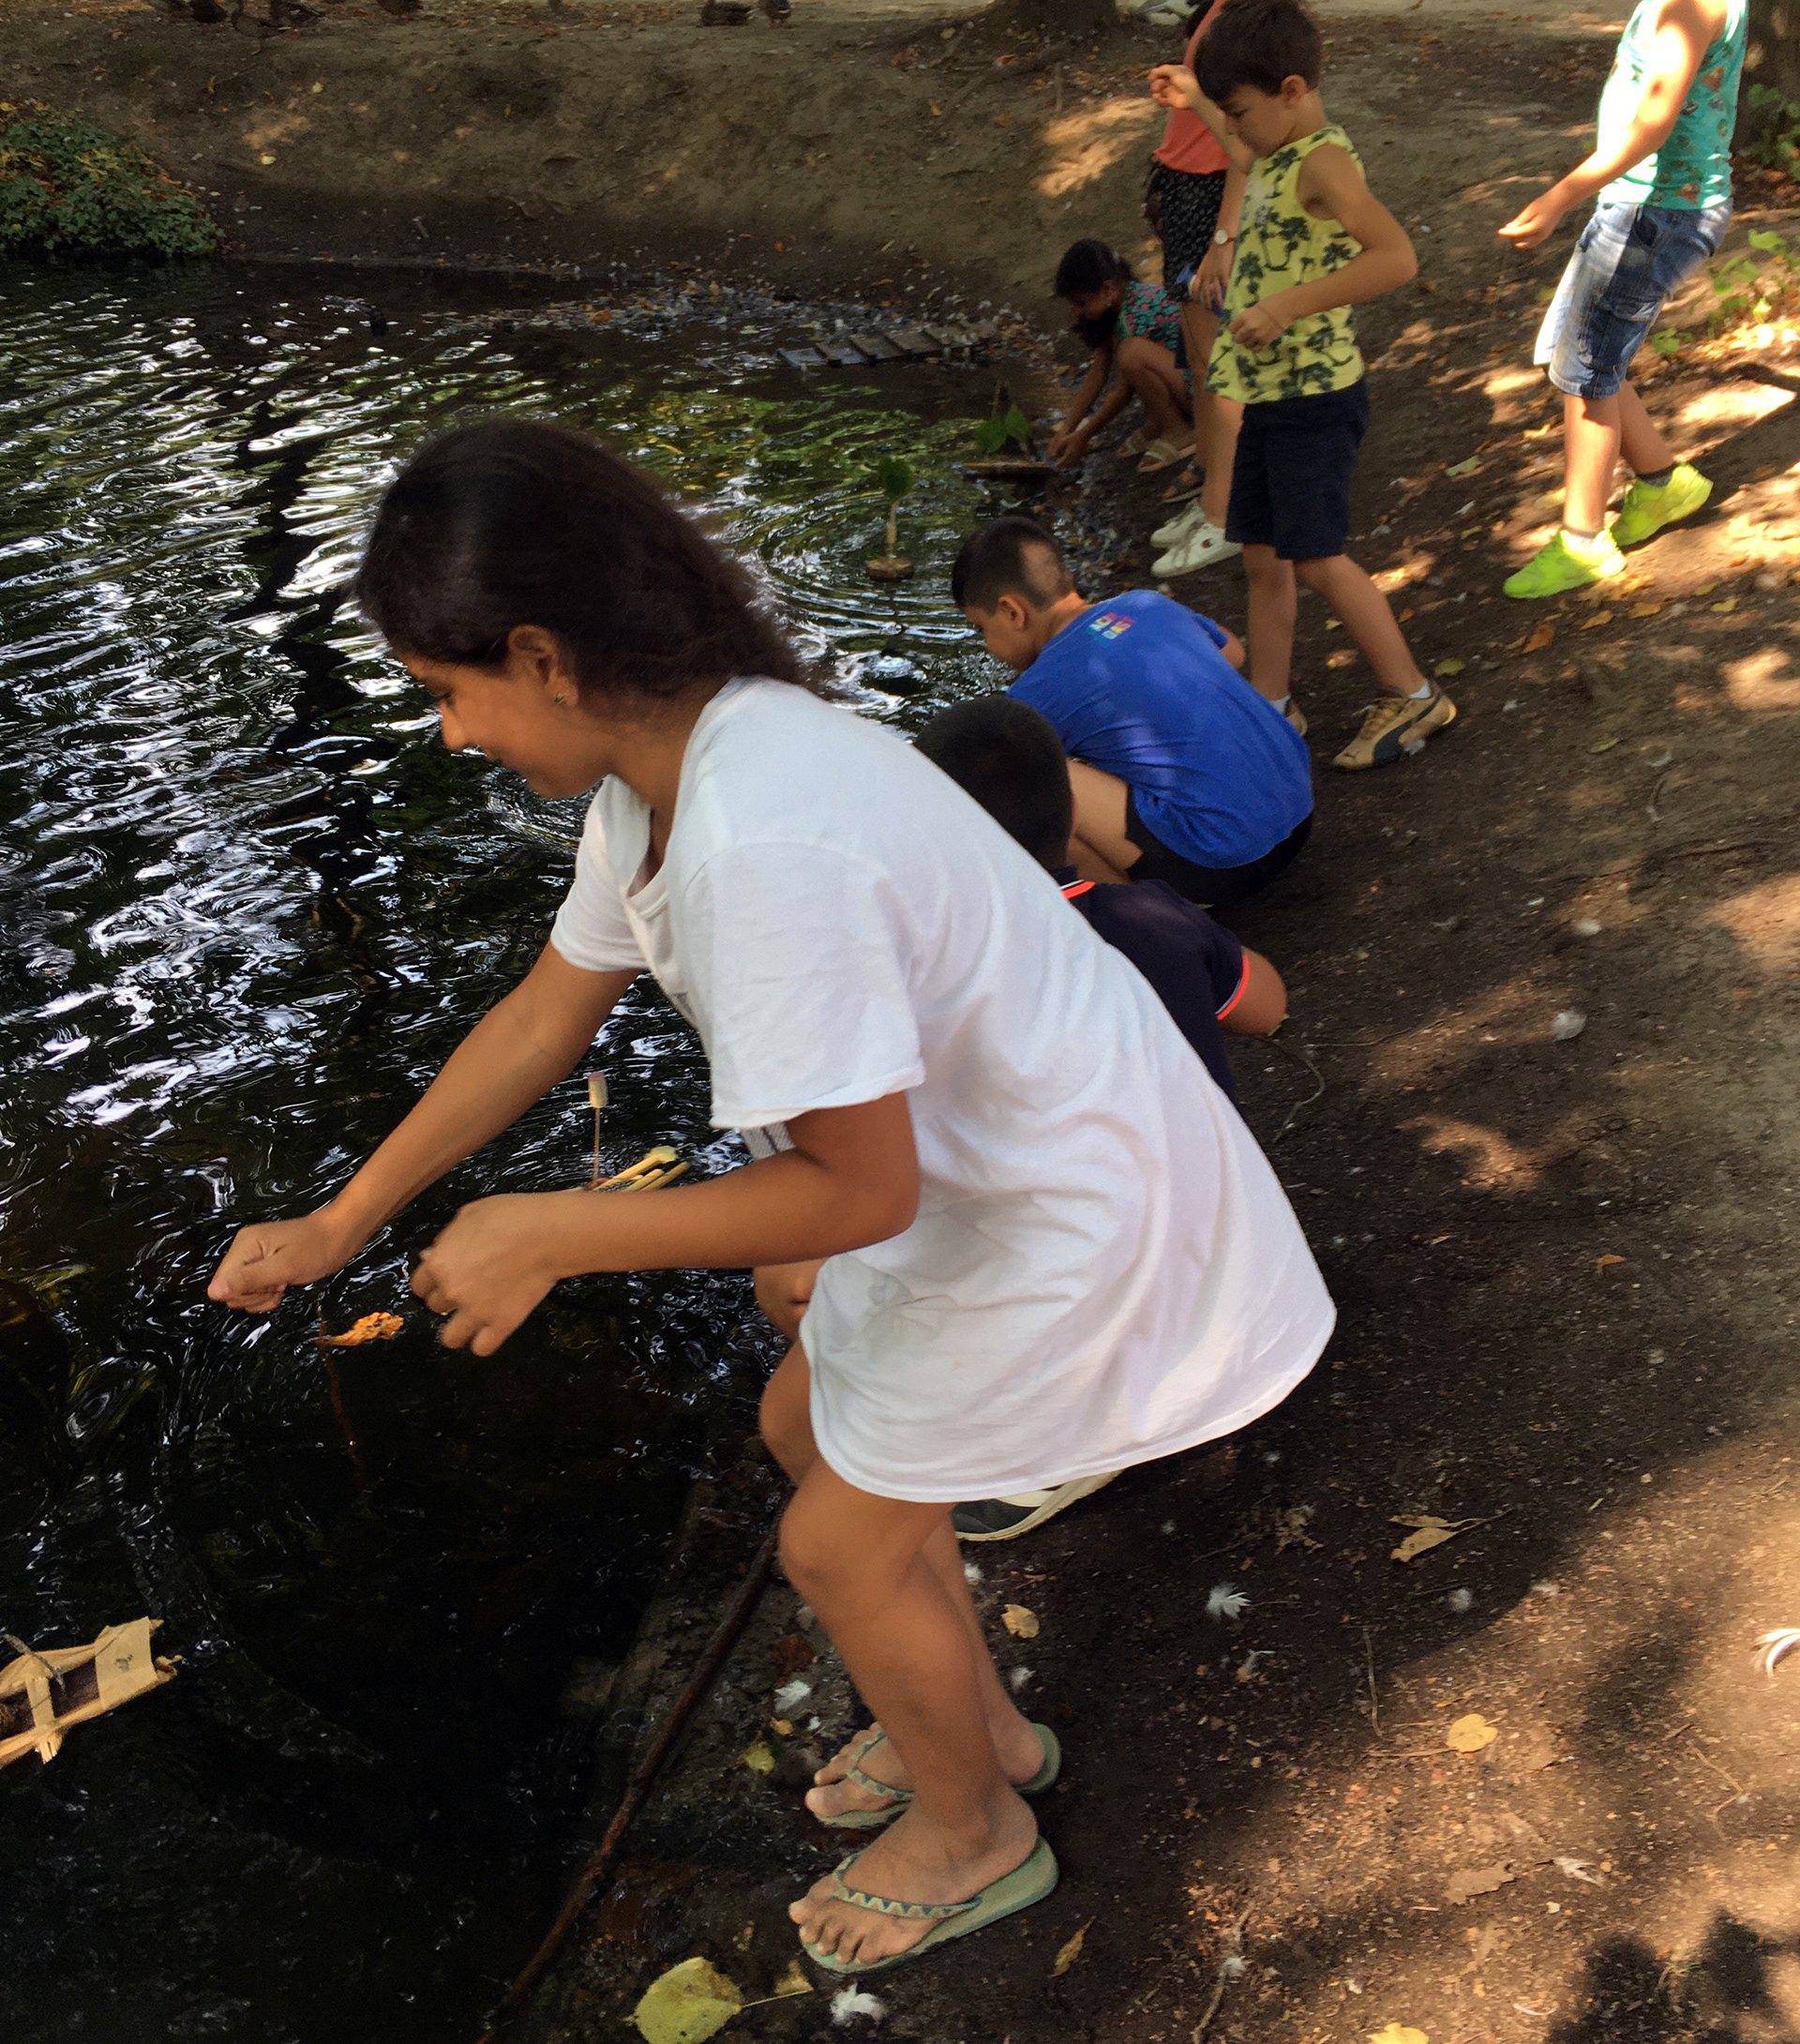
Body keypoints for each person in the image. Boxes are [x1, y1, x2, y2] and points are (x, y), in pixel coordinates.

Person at [204, 421, 1334, 1974]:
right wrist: (346, 1216)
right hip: (988, 1159)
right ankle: (978, 1733)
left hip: (1065, 1186)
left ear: (539, 653)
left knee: (836, 1545)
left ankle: (975, 1831)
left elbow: (857, 1189)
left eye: (444, 690)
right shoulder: (665, 768)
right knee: (807, 1430)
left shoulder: (760, 829)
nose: (451, 734)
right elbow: (548, 1010)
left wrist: (548, 1229)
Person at [756, 693, 1292, 1545]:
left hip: (1107, 1275)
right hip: (1225, 1223)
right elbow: (1265, 1003)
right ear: (1069, 810)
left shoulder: (940, 998)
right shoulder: (1147, 914)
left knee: (803, 1276)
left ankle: (1055, 1436)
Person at [1152, 0, 1455, 773]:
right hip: (1270, 395)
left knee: (1316, 557)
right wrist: (1197, 98)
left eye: (1240, 110)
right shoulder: (1276, 145)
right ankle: (1271, 703)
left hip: (1317, 397)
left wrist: (1287, 306)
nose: (1234, 127)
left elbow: (1396, 258)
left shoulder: (1320, 162)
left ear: (1291, 92)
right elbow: (1243, 142)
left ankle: (1413, 694)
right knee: (1260, 552)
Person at [1496, 0, 1746, 599]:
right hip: (1650, 202)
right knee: (1580, 352)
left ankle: (1583, 541)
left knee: (1588, 365)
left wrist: (1562, 193)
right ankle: (1664, 482)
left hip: (1655, 209)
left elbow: (1654, 118)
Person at [952, 515, 1313, 902]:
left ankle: (1145, 917)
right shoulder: (1145, 602)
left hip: (1225, 865)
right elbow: (1233, 654)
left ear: (1011, 611)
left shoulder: (1037, 690)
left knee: (1025, 776)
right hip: (1300, 814)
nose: (986, 644)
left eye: (981, 628)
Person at [1140, 0, 1299, 563]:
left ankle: (1224, 515)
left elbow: (1252, 132)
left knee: (1218, 362)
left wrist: (1224, 236)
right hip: (1189, 185)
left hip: (1214, 195)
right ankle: (1211, 490)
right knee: (1200, 356)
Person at [1044, 238, 1193, 475]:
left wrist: (1082, 436)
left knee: (1132, 354)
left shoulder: (1136, 315)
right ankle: (1160, 420)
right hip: (1183, 380)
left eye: (1081, 303)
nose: (1076, 311)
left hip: (1202, 395)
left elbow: (1123, 392)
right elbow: (1098, 371)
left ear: (1107, 289)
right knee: (1132, 355)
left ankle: (1178, 429)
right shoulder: (1120, 305)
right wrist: (1067, 429)